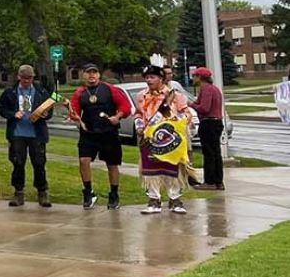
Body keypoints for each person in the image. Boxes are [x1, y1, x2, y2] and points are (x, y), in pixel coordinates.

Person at [67, 63, 133, 209]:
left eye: (94, 73)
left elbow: (125, 107)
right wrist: (73, 116)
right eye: (88, 73)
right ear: (83, 75)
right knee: (84, 160)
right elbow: (75, 112)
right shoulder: (80, 93)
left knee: (112, 164)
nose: (92, 76)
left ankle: (114, 194)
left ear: (99, 75)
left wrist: (118, 116)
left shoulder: (110, 89)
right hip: (89, 133)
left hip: (108, 132)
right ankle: (88, 192)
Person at [134, 66, 198, 214]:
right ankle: (154, 200)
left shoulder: (174, 96)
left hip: (170, 137)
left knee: (172, 167)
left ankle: (175, 200)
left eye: (152, 77)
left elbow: (186, 113)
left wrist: (178, 121)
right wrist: (139, 125)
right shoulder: (142, 96)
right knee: (151, 169)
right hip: (149, 136)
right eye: (147, 77)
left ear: (161, 79)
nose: (149, 80)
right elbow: (138, 114)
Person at [0, 65, 51, 208]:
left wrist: (45, 115)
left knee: (39, 163)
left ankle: (42, 192)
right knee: (18, 163)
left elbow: (49, 108)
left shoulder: (40, 91)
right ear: (19, 77)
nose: (27, 80)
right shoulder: (10, 92)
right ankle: (18, 192)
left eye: (30, 78)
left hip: (36, 133)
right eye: (24, 78)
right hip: (17, 133)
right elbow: (1, 108)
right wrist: (12, 114)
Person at [191, 67, 225, 191]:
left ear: (200, 77)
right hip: (216, 122)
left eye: (194, 76)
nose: (193, 78)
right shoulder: (214, 88)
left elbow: (204, 108)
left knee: (209, 153)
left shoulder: (205, 89)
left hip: (209, 122)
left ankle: (210, 182)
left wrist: (192, 104)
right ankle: (218, 181)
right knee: (216, 153)